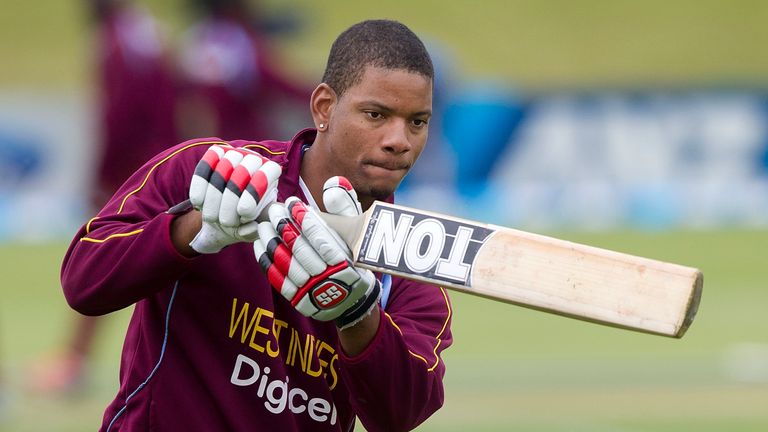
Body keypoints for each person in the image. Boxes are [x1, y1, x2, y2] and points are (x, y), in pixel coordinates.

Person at [61, 19, 452, 431]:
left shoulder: (411, 256)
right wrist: (194, 230)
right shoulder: (208, 172)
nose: (399, 140)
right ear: (324, 107)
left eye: (417, 122)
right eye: (376, 114)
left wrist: (357, 315)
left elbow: (400, 415)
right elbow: (83, 281)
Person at [30, 0, 178, 394]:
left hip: (135, 175)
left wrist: (101, 175)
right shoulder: (149, 33)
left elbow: (117, 117)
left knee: (103, 262)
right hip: (168, 165)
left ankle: (74, 362)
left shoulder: (114, 41)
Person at [177, 0, 312, 141]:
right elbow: (275, 81)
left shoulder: (195, 37)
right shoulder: (240, 40)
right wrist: (312, 96)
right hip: (243, 142)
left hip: (197, 141)